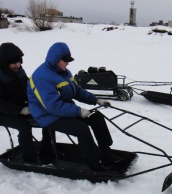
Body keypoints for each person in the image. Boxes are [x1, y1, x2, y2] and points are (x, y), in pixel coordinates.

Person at [27, 42, 122, 172]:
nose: (68, 63)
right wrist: (78, 111)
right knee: (81, 129)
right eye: (65, 60)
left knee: (96, 118)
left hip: (62, 110)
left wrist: (96, 100)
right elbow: (52, 106)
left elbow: (77, 91)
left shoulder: (64, 72)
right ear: (55, 59)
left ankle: (106, 152)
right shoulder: (42, 77)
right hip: (47, 115)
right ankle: (94, 162)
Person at [0, 42, 52, 163]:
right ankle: (30, 160)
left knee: (50, 116)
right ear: (4, 63)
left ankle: (47, 151)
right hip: (3, 113)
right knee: (24, 126)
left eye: (19, 62)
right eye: (14, 63)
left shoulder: (19, 71)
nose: (18, 65)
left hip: (20, 107)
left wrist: (42, 100)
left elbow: (29, 88)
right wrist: (20, 110)